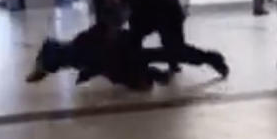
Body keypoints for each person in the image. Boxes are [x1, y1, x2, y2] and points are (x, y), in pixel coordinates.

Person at [24, 22, 228, 91]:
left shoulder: (127, 69)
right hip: (102, 47)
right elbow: (107, 66)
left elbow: (107, 68)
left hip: (103, 48)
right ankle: (49, 55)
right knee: (74, 54)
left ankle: (211, 58)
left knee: (75, 55)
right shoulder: (127, 67)